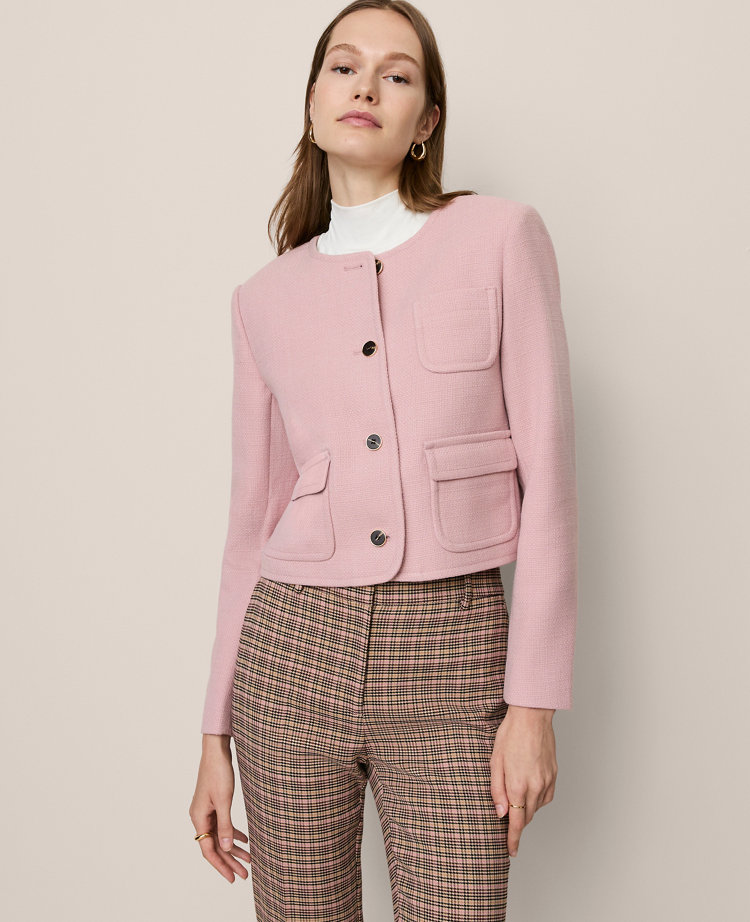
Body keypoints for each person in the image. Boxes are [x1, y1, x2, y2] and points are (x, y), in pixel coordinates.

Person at [189, 2, 578, 919]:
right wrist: (213, 731)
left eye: (396, 74)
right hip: (289, 656)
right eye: (343, 66)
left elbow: (553, 480)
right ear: (313, 100)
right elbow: (250, 526)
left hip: (453, 651)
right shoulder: (262, 298)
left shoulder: (500, 237)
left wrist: (534, 705)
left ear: (426, 120)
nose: (365, 85)